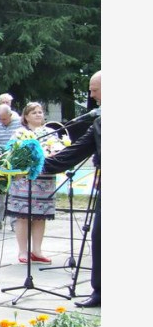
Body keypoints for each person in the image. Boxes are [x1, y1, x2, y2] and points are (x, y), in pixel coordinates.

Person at [41, 71, 101, 308]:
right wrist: (36, 166)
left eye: (94, 89)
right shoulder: (99, 122)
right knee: (99, 237)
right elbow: (74, 153)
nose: (91, 95)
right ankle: (100, 292)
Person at [5, 102, 58, 265]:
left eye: (40, 112)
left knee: (40, 217)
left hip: (44, 181)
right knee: (23, 216)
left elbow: (58, 150)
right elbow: (11, 154)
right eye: (34, 112)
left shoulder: (50, 133)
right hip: (24, 181)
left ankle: (37, 251)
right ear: (26, 116)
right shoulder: (19, 133)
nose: (38, 114)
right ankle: (23, 251)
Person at [0, 103, 19, 229]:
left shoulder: (19, 123)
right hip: (0, 162)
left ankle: (14, 223)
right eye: (0, 118)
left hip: (15, 162)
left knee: (14, 194)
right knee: (0, 193)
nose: (2, 121)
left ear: (10, 115)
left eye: (4, 119)